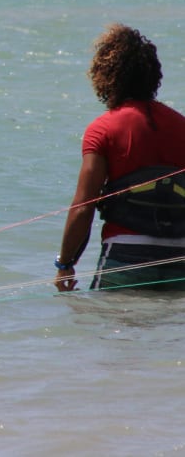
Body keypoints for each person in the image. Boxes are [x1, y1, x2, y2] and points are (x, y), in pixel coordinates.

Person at [54, 24, 185, 292]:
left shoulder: (103, 129)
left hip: (126, 253)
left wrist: (65, 263)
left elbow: (83, 207)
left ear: (106, 76)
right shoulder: (181, 125)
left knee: (113, 331)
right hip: (181, 254)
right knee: (172, 332)